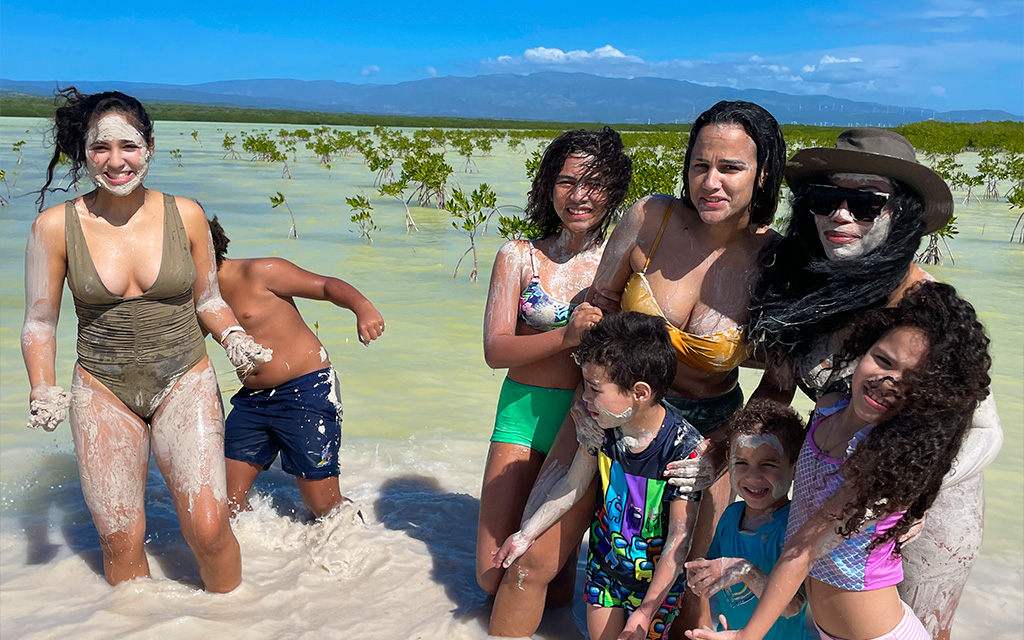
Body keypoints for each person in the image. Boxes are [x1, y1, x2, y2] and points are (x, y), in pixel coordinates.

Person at [748, 128, 1003, 638]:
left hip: (922, 510)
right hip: (839, 501)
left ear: (901, 214)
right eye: (826, 199)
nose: (841, 215)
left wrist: (911, 496)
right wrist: (721, 450)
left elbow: (986, 431)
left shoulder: (927, 308)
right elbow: (778, 388)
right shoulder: (801, 291)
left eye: (865, 203)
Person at [22, 88, 270, 592]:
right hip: (102, 387)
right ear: (85, 153)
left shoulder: (188, 215)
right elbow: (40, 323)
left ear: (150, 147)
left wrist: (235, 339)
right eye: (101, 148)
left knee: (208, 527)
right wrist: (41, 386)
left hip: (185, 378)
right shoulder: (53, 227)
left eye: (128, 147)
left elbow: (208, 301)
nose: (116, 162)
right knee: (119, 538)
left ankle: (238, 621)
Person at [580, 100, 787, 631]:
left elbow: (781, 380)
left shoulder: (775, 259)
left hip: (711, 428)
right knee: (532, 565)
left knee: (692, 594)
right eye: (700, 165)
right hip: (619, 417)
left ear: (762, 175)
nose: (710, 181)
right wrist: (586, 397)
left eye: (730, 168)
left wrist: (720, 449)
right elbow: (598, 306)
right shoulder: (651, 216)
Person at [686, 281, 992, 640]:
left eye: (912, 380)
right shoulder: (829, 405)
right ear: (864, 348)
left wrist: (746, 636)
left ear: (929, 398)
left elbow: (802, 550)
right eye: (883, 359)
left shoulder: (878, 462)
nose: (888, 380)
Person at [478, 127, 632, 629]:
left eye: (594, 183)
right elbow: (495, 351)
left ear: (614, 192)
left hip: (582, 419)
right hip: (521, 411)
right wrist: (567, 337)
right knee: (487, 575)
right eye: (567, 182)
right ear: (548, 186)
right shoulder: (518, 255)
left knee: (543, 564)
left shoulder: (622, 263)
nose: (579, 196)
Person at [495, 312, 703, 640]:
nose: (585, 399)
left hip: (656, 589)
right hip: (604, 574)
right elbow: (574, 484)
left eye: (594, 389)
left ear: (640, 392)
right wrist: (525, 535)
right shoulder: (603, 427)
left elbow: (679, 538)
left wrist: (647, 610)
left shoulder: (683, 449)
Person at [209, 216, 385, 518]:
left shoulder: (260, 272)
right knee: (225, 502)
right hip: (253, 401)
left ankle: (363, 551)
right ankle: (270, 559)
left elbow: (327, 286)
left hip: (307, 389)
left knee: (324, 507)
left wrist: (363, 307)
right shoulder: (194, 298)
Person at [684, 399, 813, 640]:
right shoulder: (731, 515)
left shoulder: (793, 527)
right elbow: (716, 573)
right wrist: (700, 578)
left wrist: (745, 571)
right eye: (741, 463)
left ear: (795, 467)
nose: (753, 476)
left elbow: (792, 606)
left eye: (768, 464)